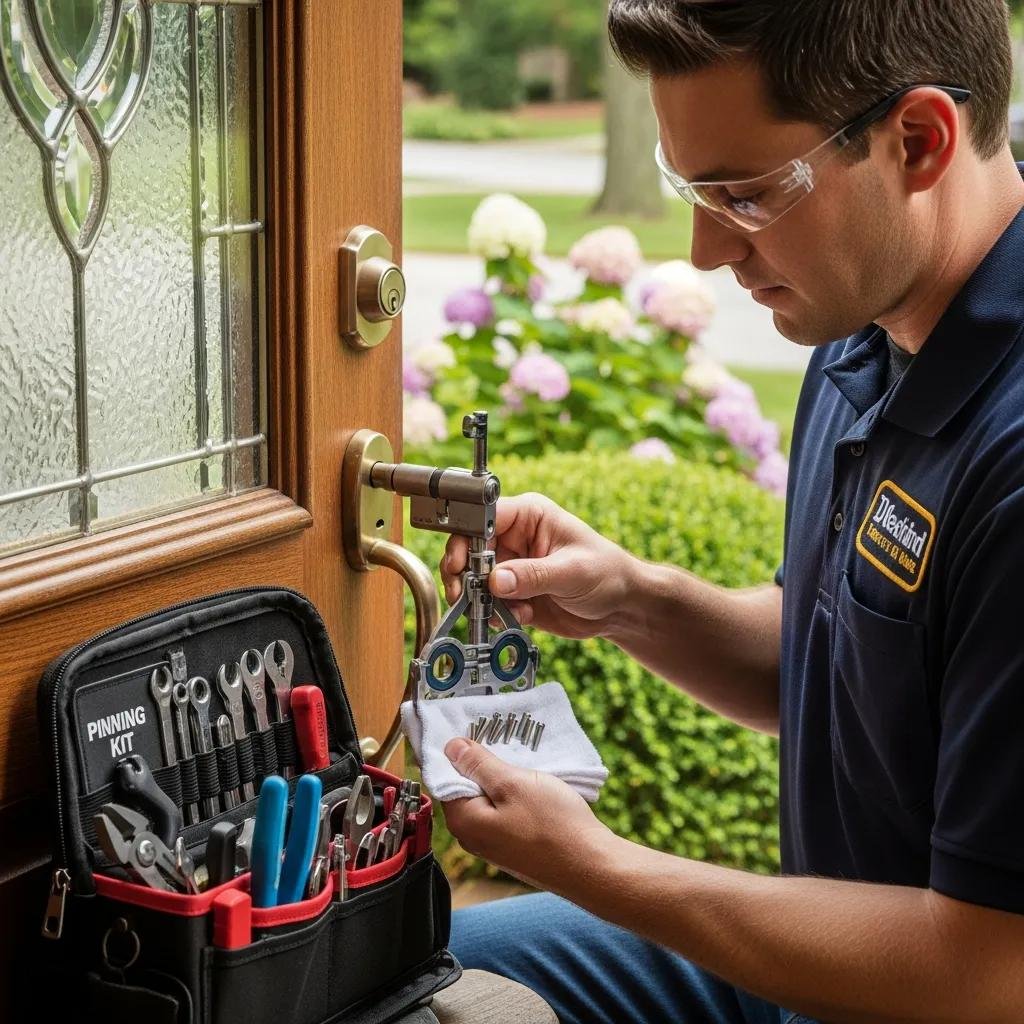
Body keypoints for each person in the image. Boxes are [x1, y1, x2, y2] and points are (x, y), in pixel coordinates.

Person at [433, 2, 1024, 1022]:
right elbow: (845, 662)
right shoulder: (863, 317)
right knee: (409, 967)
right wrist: (633, 600)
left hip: (934, 980)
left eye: (744, 194)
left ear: (919, 141)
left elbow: (988, 969)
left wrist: (597, 864)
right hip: (821, 971)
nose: (706, 250)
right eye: (692, 190)